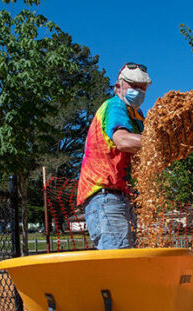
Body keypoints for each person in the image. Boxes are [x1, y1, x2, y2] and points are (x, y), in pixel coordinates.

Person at [76, 62, 152, 249]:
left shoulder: (136, 115)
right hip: (105, 193)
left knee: (128, 256)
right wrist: (158, 142)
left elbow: (144, 150)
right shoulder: (115, 106)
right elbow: (123, 141)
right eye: (133, 86)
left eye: (142, 88)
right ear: (118, 87)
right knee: (119, 254)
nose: (139, 92)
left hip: (122, 195)